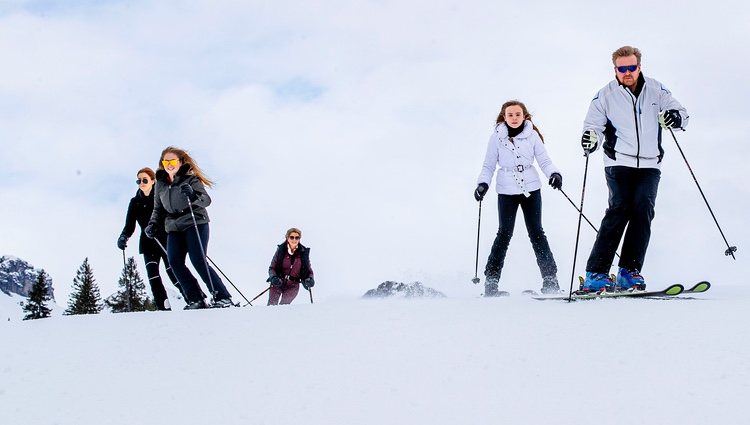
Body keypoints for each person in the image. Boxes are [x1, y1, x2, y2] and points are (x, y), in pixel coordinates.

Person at [579, 45, 688, 292]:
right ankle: (596, 273)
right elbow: (592, 126)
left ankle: (629, 271)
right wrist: (590, 138)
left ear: (639, 66)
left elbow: (681, 113)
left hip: (650, 163)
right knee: (619, 208)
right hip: (619, 162)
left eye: (632, 67)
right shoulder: (604, 95)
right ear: (615, 69)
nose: (627, 73)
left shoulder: (656, 89)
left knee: (643, 210)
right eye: (622, 69)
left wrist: (674, 117)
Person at [474, 100, 563, 296]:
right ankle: (491, 281)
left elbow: (544, 160)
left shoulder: (532, 137)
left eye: (518, 114)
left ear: (524, 116)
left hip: (531, 189)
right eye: (510, 115)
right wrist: (483, 184)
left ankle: (550, 280)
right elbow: (488, 165)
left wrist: (553, 174)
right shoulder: (496, 138)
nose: (514, 118)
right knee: (504, 233)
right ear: (504, 118)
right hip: (506, 191)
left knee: (537, 233)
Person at [145, 146, 233, 309]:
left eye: (172, 161)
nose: (169, 164)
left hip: (195, 221)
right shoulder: (160, 184)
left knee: (197, 258)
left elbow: (206, 200)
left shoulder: (190, 180)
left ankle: (223, 296)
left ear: (180, 162)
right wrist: (152, 224)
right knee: (174, 261)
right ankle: (195, 298)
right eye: (166, 161)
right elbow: (158, 208)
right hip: (173, 226)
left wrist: (193, 195)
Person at [117, 167, 185, 310]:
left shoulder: (160, 196)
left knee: (173, 272)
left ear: (153, 181)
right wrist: (123, 236)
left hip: (165, 240)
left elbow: (171, 214)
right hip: (148, 243)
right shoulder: (134, 202)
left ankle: (191, 297)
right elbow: (129, 225)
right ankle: (163, 306)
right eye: (139, 180)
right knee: (153, 276)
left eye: (144, 180)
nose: (141, 183)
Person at [266, 228, 314, 305]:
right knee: (272, 305)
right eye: (291, 237)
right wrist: (273, 277)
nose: (294, 239)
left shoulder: (303, 253)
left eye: (297, 237)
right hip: (278, 282)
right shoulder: (281, 250)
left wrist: (310, 279)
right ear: (287, 238)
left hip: (293, 285)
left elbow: (308, 270)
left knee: (283, 307)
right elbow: (272, 268)